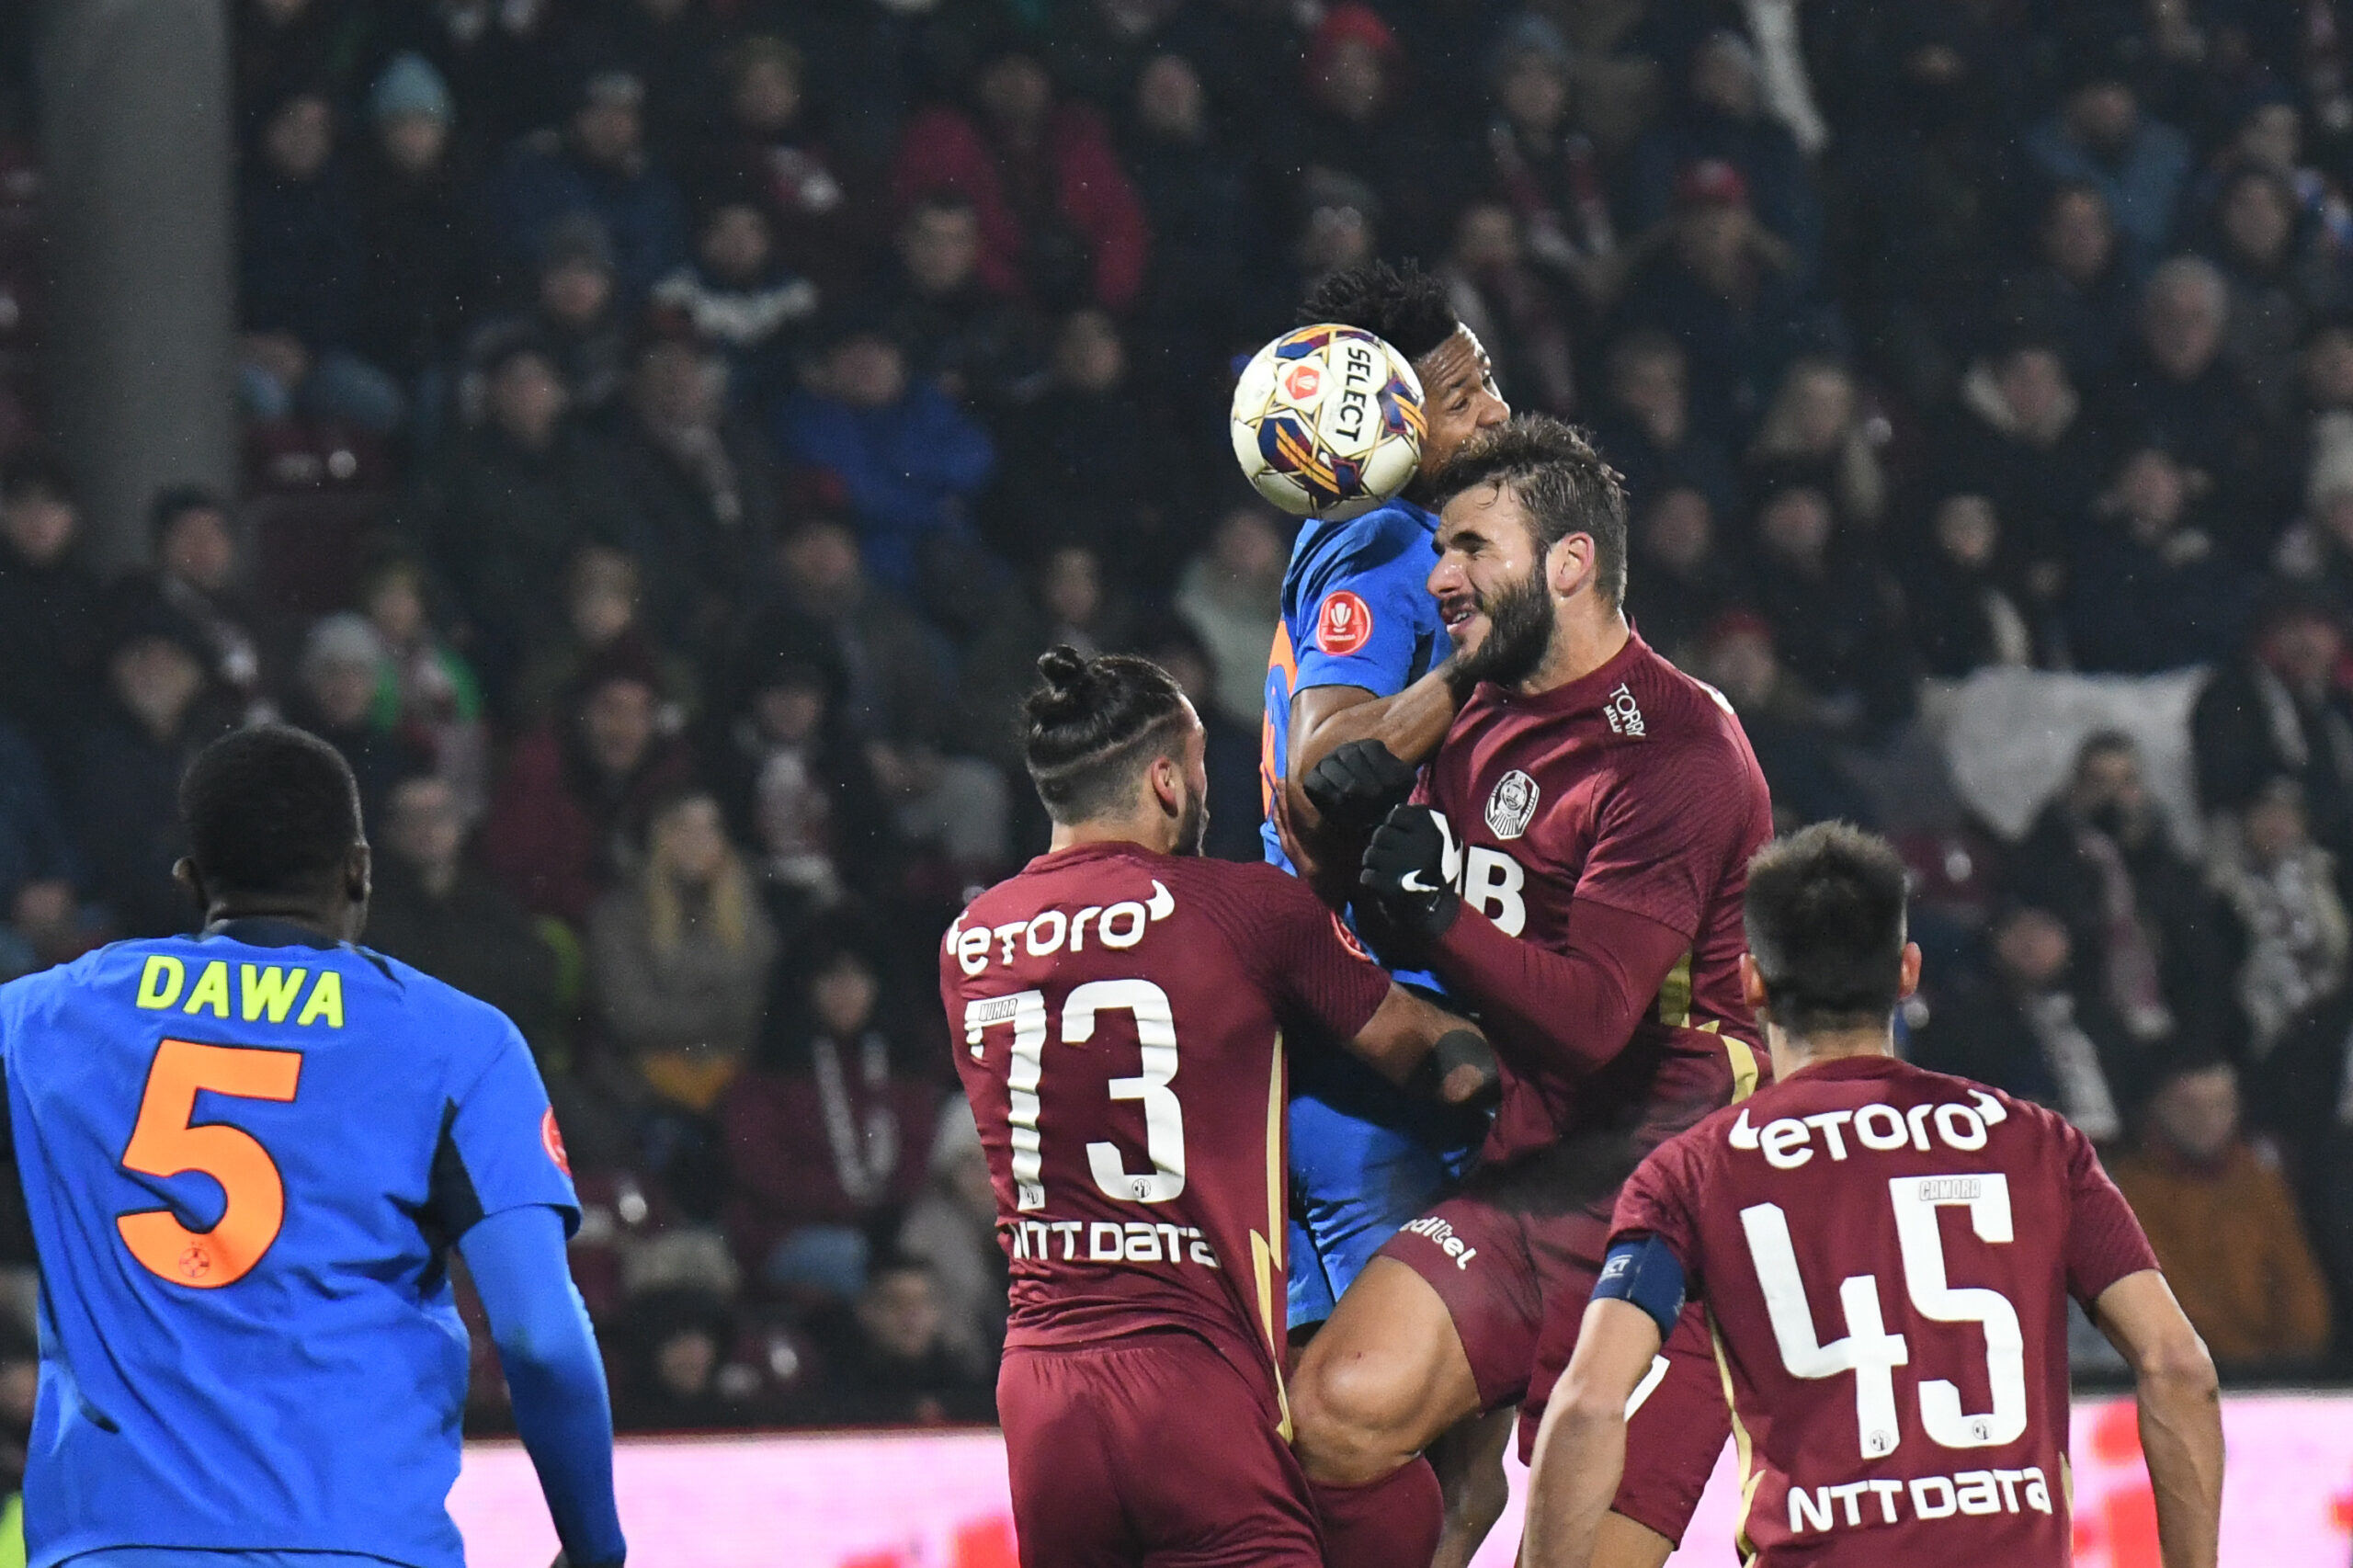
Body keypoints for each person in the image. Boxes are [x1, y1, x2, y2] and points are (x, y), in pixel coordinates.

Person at [1292, 415, 1773, 1568]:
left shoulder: (1674, 748)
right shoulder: (1473, 711)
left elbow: (1598, 1016)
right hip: (1533, 1157)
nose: (1440, 574)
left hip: (1674, 1194)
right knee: (1334, 1413)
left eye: (1471, 548)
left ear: (1569, 563)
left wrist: (1434, 919)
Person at [0, 725, 625, 1566]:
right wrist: (594, 1548)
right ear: (360, 868)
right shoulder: (461, 1045)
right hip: (359, 1543)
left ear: (190, 880)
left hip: (115, 1544)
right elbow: (542, 1339)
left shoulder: (40, 1020)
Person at [1518, 823, 2222, 1568]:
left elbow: (1591, 1404)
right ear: (1907, 972)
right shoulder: (2037, 1144)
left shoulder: (1692, 1170)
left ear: (1750, 979)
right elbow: (2178, 1367)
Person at [942, 646, 1494, 1568]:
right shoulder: (1241, 910)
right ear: (1165, 778)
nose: (1207, 789)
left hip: (1039, 1390)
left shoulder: (969, 939)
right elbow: (1447, 1066)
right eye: (1200, 768)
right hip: (1190, 1377)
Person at [2110, 1054, 2335, 1371]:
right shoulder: (2128, 1188)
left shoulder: (2258, 1179)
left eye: (2221, 1105)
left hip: (2282, 1372)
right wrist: (2243, 1365)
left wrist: (2295, 1356)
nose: (2208, 1119)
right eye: (2190, 1106)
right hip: (2189, 1373)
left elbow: (2300, 1279)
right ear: (2157, 1108)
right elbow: (2167, 1296)